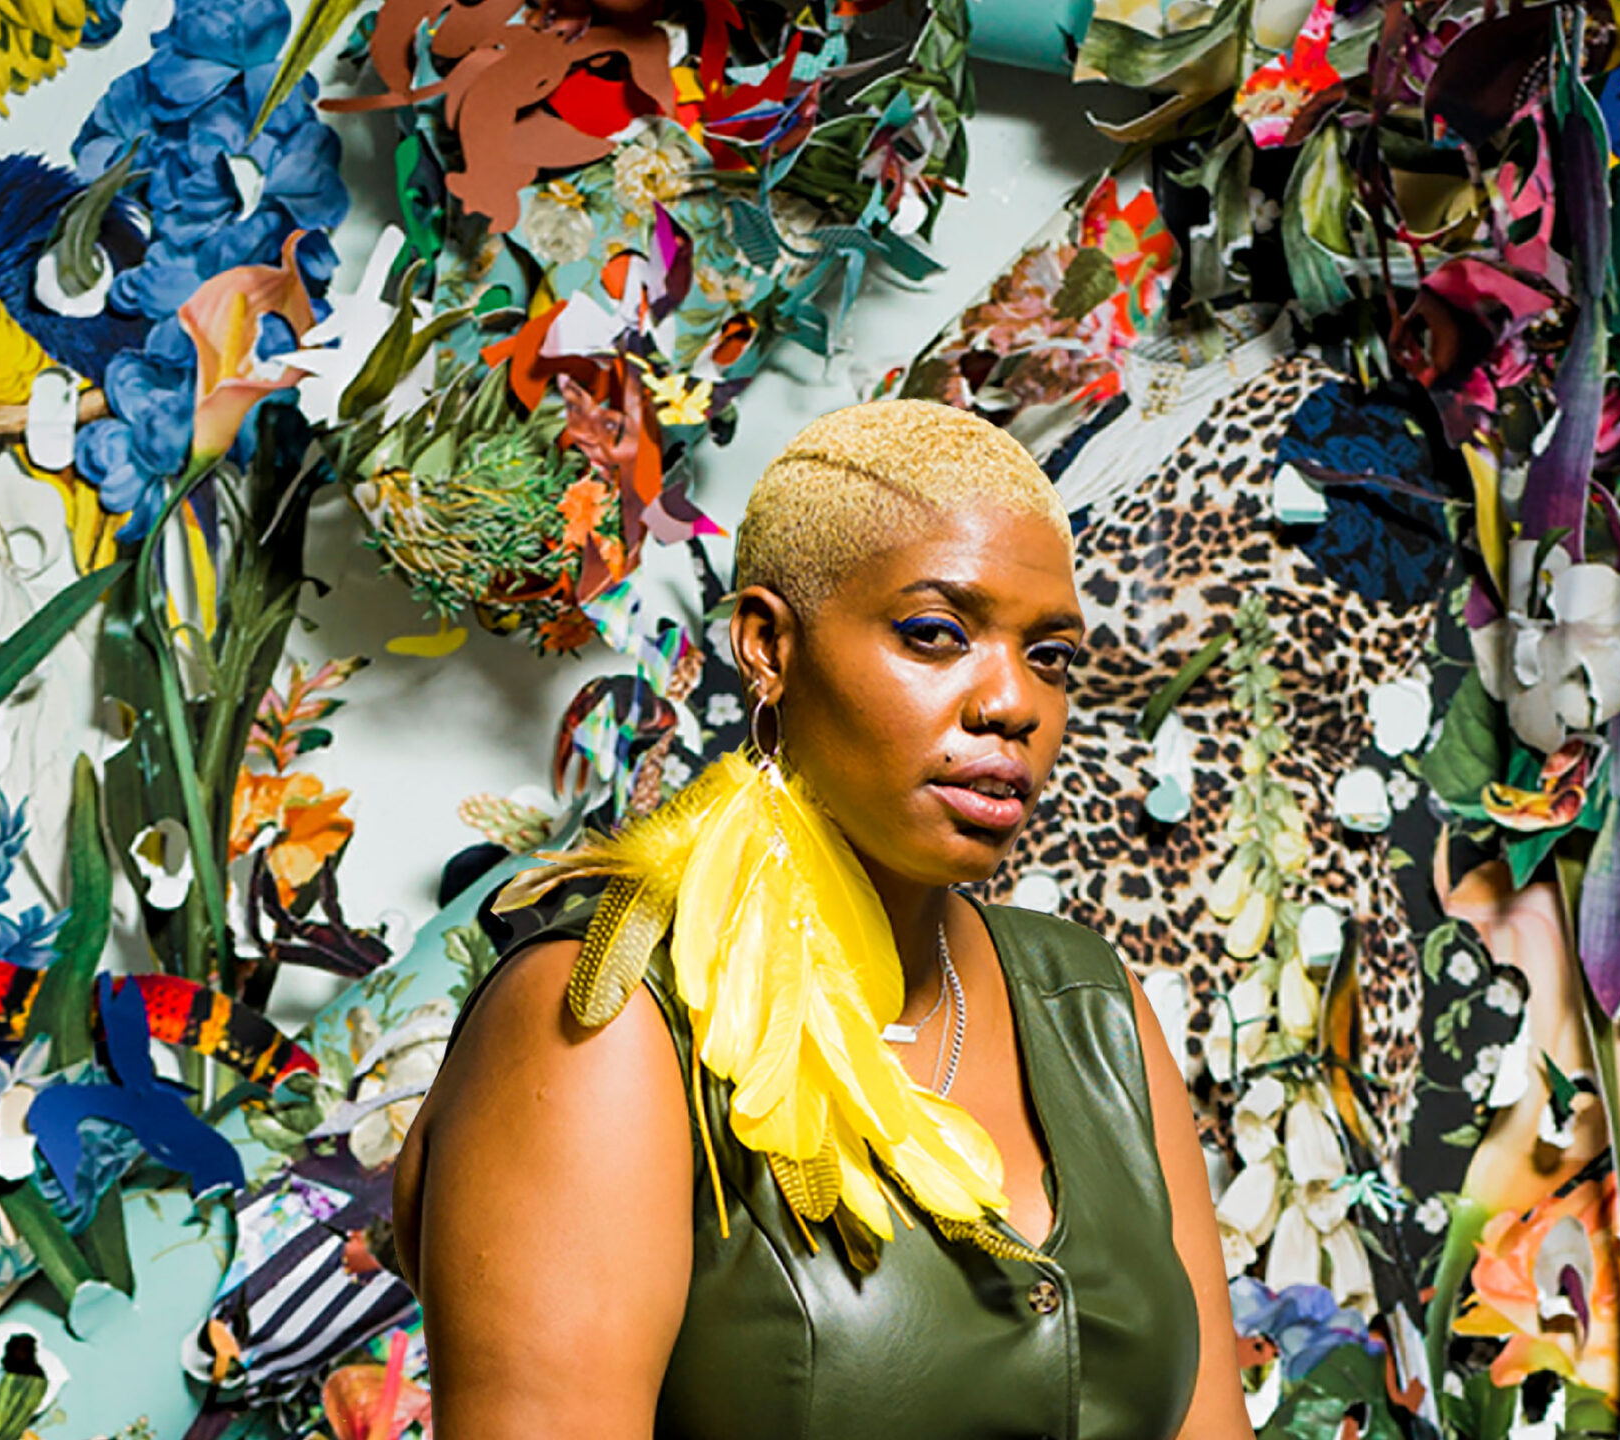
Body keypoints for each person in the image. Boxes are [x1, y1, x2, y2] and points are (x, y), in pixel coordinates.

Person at [390, 399, 1253, 1440]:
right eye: (937, 636)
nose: (1012, 703)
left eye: (1051, 656)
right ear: (767, 646)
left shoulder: (1089, 1004)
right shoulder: (609, 1020)